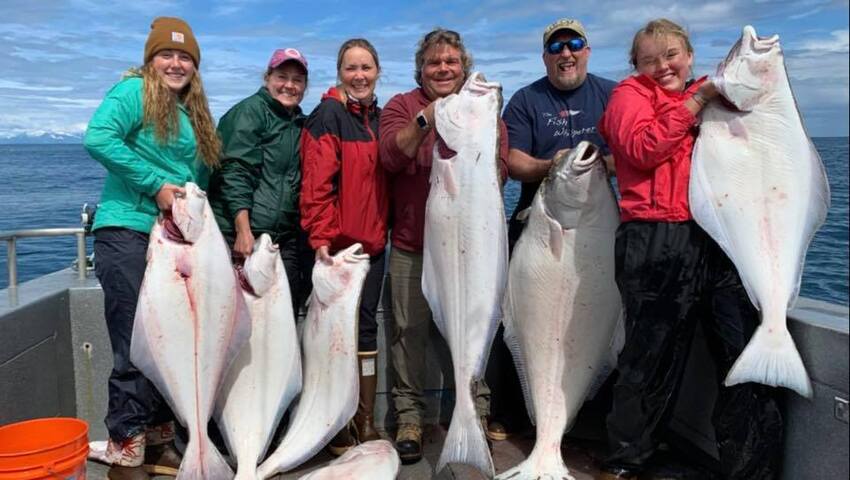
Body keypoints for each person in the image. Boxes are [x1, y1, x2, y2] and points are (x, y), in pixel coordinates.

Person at [596, 18, 783, 480]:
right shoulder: (628, 97)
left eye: (671, 55)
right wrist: (695, 102)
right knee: (648, 359)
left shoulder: (715, 94)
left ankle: (751, 468)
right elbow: (640, 149)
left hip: (720, 238)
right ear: (634, 66)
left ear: (690, 55)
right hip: (656, 238)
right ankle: (626, 462)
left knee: (741, 352)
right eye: (649, 59)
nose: (662, 66)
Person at [84, 17, 220, 480]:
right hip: (126, 232)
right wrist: (155, 184)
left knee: (167, 342)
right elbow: (98, 137)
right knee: (132, 340)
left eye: (185, 57)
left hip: (175, 243)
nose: (176, 63)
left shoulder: (194, 113)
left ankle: (159, 437)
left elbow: (199, 184)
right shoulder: (133, 92)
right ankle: (126, 439)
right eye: (167, 54)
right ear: (150, 59)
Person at [378, 28, 509, 464]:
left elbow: (500, 171)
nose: (444, 68)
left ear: (463, 66)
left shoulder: (487, 116)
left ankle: (475, 412)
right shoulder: (403, 107)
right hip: (412, 247)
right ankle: (409, 418)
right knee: (406, 333)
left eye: (451, 61)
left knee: (475, 330)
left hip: (471, 250)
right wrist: (428, 117)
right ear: (422, 69)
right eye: (434, 62)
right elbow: (390, 157)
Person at [487, 17, 617, 441]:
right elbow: (513, 161)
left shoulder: (612, 94)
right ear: (545, 56)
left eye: (574, 44)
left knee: (600, 318)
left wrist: (597, 167)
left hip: (597, 220)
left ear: (587, 50)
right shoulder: (526, 100)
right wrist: (553, 167)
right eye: (556, 48)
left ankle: (591, 419)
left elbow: (631, 151)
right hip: (540, 216)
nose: (566, 54)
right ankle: (509, 413)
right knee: (515, 315)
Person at [299, 38, 389, 456]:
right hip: (336, 251)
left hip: (373, 248)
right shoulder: (329, 115)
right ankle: (335, 422)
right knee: (332, 336)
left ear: (377, 71)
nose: (359, 76)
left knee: (365, 329)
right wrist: (320, 237)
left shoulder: (381, 119)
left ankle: (364, 419)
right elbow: (316, 181)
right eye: (351, 68)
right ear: (340, 73)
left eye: (366, 67)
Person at [207, 48, 313, 312]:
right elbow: (235, 173)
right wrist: (243, 230)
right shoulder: (249, 113)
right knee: (236, 321)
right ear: (267, 78)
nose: (289, 85)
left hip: (280, 239)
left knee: (283, 317)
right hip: (242, 238)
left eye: (297, 80)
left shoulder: (299, 123)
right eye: (282, 77)